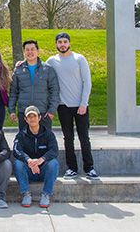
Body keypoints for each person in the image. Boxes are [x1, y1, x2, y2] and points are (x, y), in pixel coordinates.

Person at [45, 32, 98, 179]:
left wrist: (83, 103)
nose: (62, 44)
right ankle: (72, 168)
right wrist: (20, 63)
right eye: (59, 42)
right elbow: (39, 67)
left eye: (65, 42)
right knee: (68, 138)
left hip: (80, 106)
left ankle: (89, 168)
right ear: (56, 44)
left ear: (69, 43)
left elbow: (87, 82)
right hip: (63, 106)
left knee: (84, 137)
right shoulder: (52, 61)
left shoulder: (79, 59)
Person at [12, 106, 59, 208]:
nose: (32, 119)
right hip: (28, 171)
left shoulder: (48, 134)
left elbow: (54, 150)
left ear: (39, 118)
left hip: (43, 170)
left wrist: (41, 160)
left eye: (34, 116)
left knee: (53, 163)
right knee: (18, 164)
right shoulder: (21, 135)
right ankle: (26, 194)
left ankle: (46, 194)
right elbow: (16, 151)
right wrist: (29, 160)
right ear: (25, 119)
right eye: (30, 117)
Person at [9, 40, 60, 131]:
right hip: (24, 113)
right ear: (24, 52)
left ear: (38, 51)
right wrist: (12, 110)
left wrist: (52, 110)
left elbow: (54, 91)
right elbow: (13, 92)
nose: (30, 52)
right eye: (27, 50)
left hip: (43, 112)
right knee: (25, 141)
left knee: (44, 142)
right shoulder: (18, 70)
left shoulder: (47, 69)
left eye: (32, 49)